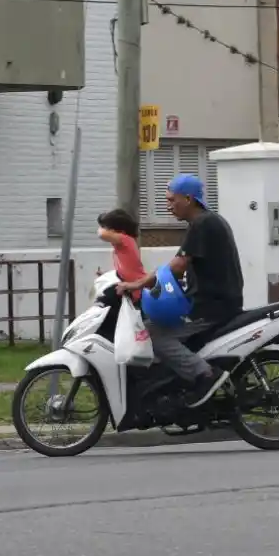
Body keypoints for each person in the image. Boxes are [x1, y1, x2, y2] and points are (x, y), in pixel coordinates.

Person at [116, 174, 244, 408]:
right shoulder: (209, 221)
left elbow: (177, 266)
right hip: (215, 301)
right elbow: (176, 269)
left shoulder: (202, 224)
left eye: (171, 200)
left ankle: (205, 375)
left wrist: (137, 285)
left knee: (151, 333)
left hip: (210, 307)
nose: (168, 206)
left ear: (188, 199)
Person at [96, 208, 147, 302]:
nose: (107, 230)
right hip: (128, 290)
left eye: (108, 228)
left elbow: (101, 234)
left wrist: (102, 223)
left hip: (135, 291)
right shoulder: (121, 246)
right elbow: (124, 270)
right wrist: (107, 275)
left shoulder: (125, 239)